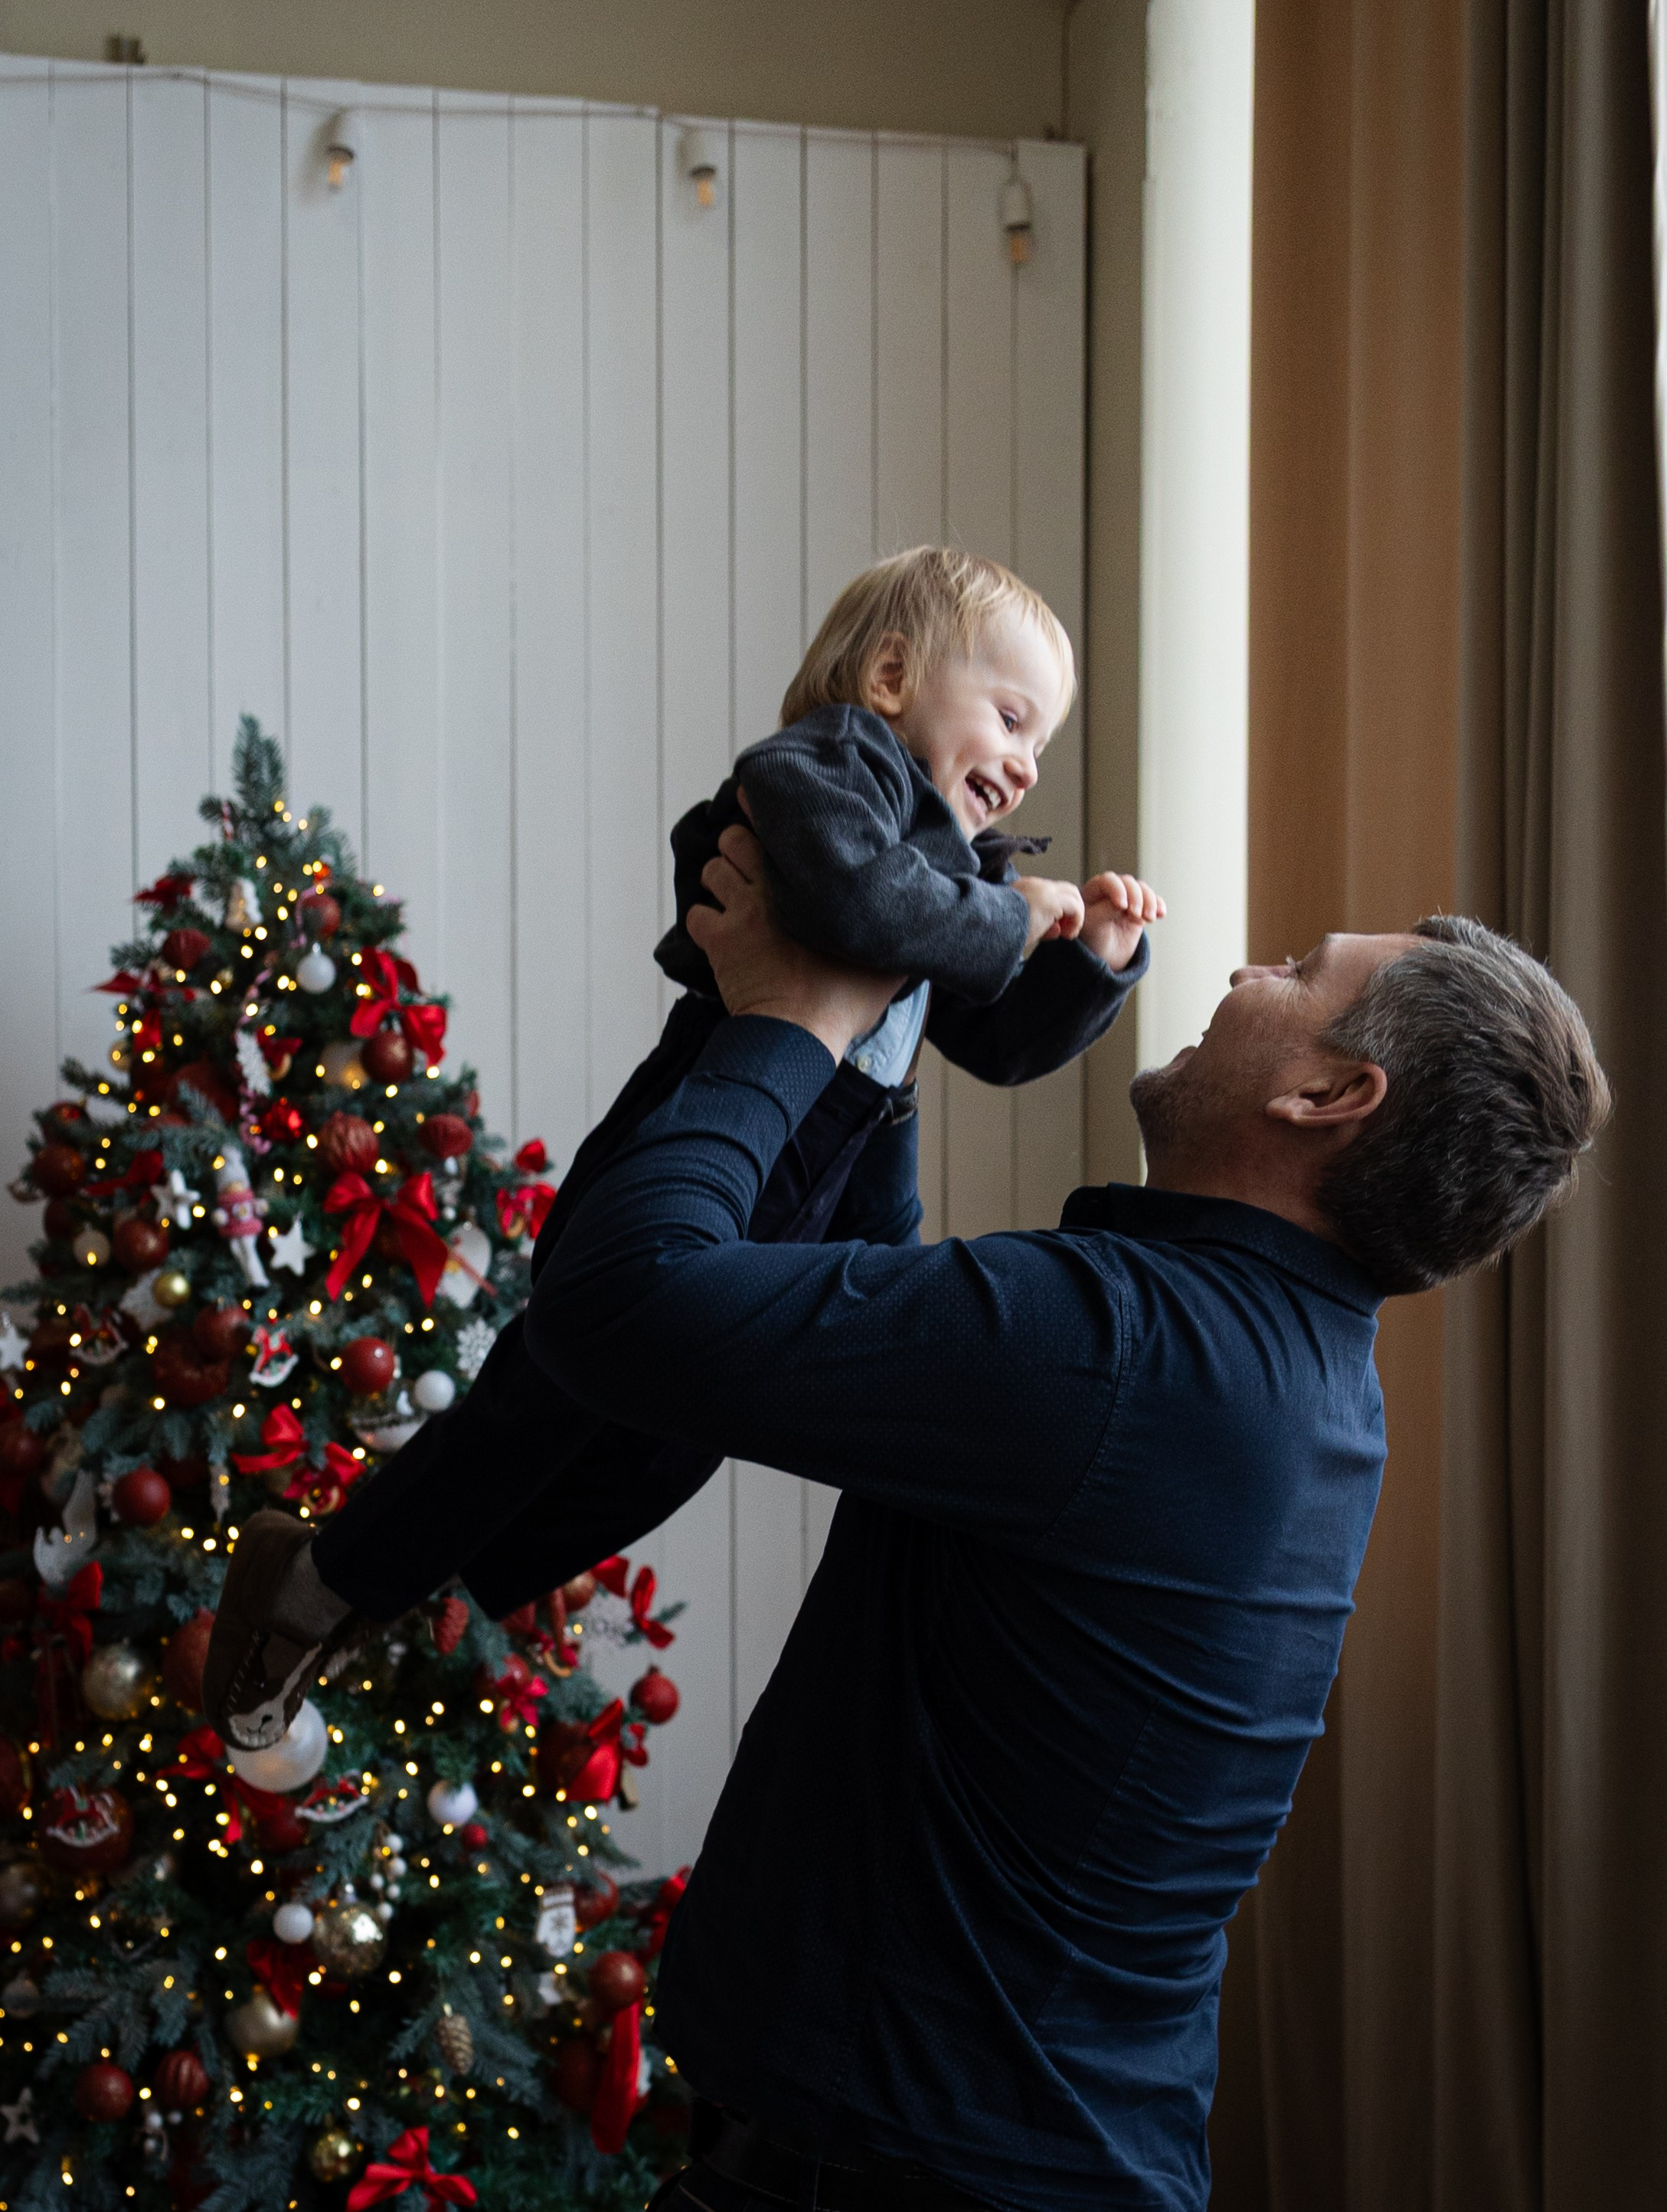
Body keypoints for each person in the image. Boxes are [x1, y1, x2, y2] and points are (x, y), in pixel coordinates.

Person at [214, 809, 1607, 2208]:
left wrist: (780, 1021)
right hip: (985, 2153)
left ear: (1326, 1095)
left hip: (904, 2174)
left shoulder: (1124, 1350)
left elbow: (617, 1305)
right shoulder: (1267, 1366)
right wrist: (876, 1051)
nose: (1248, 972)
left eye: (1298, 971)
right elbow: (885, 1321)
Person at [205, 548, 1162, 1747]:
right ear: (887, 675)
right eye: (1011, 718)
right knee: (549, 1398)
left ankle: (415, 1577)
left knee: (671, 1447)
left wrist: (1095, 962)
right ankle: (329, 1575)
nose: (1025, 764)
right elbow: (860, 908)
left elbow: (1001, 1043)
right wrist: (1002, 916)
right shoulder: (825, 772)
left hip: (819, 1180)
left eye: (1041, 745)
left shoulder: (950, 873)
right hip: (705, 1126)